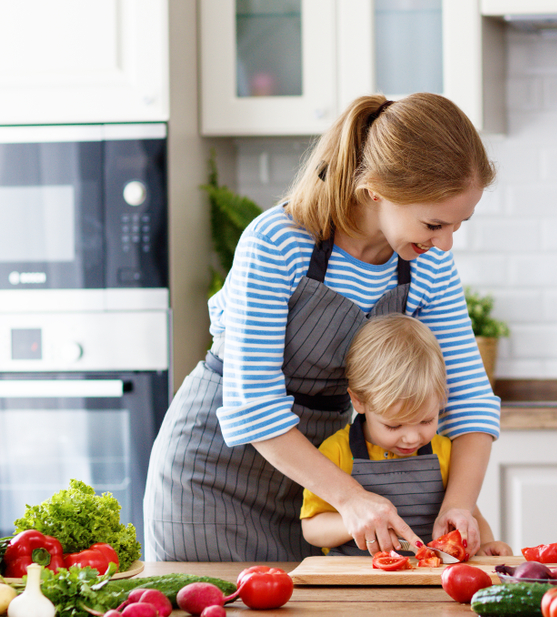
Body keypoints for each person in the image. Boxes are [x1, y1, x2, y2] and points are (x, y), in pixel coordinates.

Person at [144, 92, 501, 562]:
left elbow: (469, 399)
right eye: (434, 224)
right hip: (217, 478)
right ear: (376, 189)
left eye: (458, 225)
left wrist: (459, 505)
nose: (446, 244)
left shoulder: (427, 267)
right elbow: (254, 404)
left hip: (327, 490)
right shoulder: (277, 243)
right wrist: (349, 497)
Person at [300, 314, 511, 556]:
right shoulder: (335, 451)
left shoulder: (446, 451)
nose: (412, 438)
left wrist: (483, 546)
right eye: (394, 426)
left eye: (426, 420)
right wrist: (357, 522)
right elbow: (312, 528)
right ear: (358, 400)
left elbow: (470, 515)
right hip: (355, 586)